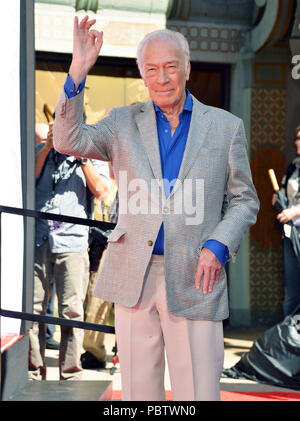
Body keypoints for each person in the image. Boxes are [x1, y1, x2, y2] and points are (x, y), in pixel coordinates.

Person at [53, 16, 259, 400]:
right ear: (142, 75)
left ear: (187, 68)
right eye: (152, 69)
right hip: (134, 273)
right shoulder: (121, 122)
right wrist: (78, 70)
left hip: (198, 275)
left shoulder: (225, 127)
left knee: (197, 392)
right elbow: (67, 140)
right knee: (137, 394)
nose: (162, 77)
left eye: (170, 67)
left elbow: (245, 200)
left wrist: (218, 245)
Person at [29, 120, 111, 380]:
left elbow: (102, 190)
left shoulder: (91, 155)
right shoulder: (40, 150)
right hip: (39, 239)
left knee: (71, 311)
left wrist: (81, 158)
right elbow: (26, 180)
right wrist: (47, 147)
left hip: (73, 242)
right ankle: (31, 371)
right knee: (33, 309)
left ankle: (71, 374)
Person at [272, 126, 300, 317]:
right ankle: (289, 340)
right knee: (291, 288)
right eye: (296, 137)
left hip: (295, 220)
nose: (296, 142)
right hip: (291, 233)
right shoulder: (293, 166)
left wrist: (295, 212)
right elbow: (282, 192)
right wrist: (277, 201)